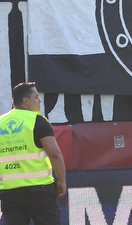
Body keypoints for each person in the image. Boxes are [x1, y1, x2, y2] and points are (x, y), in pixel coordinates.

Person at [0, 82, 66, 225]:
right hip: (39, 190)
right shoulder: (37, 121)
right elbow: (55, 154)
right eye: (36, 97)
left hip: (9, 192)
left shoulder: (1, 122)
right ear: (25, 100)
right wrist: (62, 180)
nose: (39, 100)